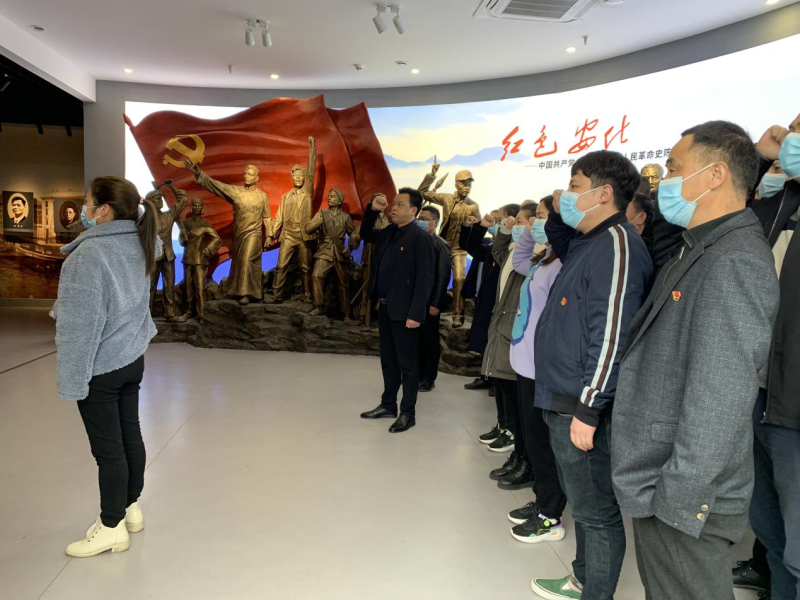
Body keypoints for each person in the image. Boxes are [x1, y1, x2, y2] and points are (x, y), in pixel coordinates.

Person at [610, 121, 780, 600]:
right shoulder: (702, 245)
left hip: (682, 492)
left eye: (673, 169)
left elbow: (721, 393)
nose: (663, 181)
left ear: (715, 175)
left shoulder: (734, 260)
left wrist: (680, 494)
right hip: (663, 479)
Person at [532, 150, 652, 600]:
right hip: (564, 396)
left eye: (575, 186)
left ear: (604, 194)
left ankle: (594, 591)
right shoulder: (590, 240)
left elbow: (612, 334)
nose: (566, 194)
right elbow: (559, 230)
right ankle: (582, 578)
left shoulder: (617, 245)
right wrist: (561, 207)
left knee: (597, 513)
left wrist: (589, 406)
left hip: (581, 405)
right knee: (583, 506)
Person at [54, 176, 160, 558]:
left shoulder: (89, 256)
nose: (83, 209)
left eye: (87, 203)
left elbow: (80, 328)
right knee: (130, 435)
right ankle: (131, 507)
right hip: (131, 359)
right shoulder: (142, 242)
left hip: (101, 367)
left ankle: (112, 526)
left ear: (103, 210)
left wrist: (72, 380)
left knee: (109, 451)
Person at [743, 119, 800, 600]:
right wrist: (762, 163)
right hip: (760, 392)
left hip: (793, 403)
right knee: (769, 527)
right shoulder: (783, 203)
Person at [506, 196, 567, 544]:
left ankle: (550, 515)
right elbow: (518, 261)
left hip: (540, 366)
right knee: (532, 440)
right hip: (524, 362)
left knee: (544, 445)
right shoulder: (544, 258)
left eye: (542, 217)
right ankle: (543, 500)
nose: (535, 223)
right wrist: (530, 232)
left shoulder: (563, 264)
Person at [359, 189, 434, 433]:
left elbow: (425, 279)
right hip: (386, 307)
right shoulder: (390, 232)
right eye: (394, 203)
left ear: (413, 210)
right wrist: (373, 210)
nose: (393, 207)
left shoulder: (420, 238)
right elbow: (365, 233)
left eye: (400, 204)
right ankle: (388, 404)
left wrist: (416, 313)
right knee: (388, 361)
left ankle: (407, 413)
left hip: (406, 314)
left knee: (408, 365)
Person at [481, 205, 536, 464]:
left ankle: (511, 432)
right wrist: (504, 230)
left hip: (513, 323)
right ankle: (503, 425)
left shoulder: (535, 254)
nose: (515, 225)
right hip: (501, 319)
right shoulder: (515, 249)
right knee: (498, 378)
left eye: (520, 221)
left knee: (508, 380)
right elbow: (497, 251)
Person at [185, 158, 271, 305]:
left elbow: (267, 217)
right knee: (240, 263)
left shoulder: (262, 196)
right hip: (239, 236)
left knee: (248, 260)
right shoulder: (236, 192)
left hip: (254, 234)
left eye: (250, 174)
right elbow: (217, 186)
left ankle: (246, 294)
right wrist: (199, 172)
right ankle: (242, 291)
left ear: (257, 178)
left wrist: (269, 235)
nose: (247, 176)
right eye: (245, 173)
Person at [418, 161, 481, 327]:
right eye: (463, 183)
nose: (467, 187)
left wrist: (473, 225)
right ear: (456, 184)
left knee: (459, 278)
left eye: (469, 184)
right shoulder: (446, 198)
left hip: (460, 248)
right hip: (443, 245)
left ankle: (458, 315)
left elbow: (480, 229)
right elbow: (422, 193)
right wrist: (432, 175)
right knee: (433, 275)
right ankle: (426, 307)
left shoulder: (473, 206)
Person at [270, 137, 317, 303]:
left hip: (303, 235)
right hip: (288, 235)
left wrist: (312, 149)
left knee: (305, 267)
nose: (298, 178)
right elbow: (279, 217)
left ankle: (307, 295)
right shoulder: (285, 197)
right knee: (281, 265)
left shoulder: (307, 193)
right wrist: (271, 235)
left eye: (301, 176)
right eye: (295, 176)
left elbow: (311, 170)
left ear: (304, 178)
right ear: (291, 178)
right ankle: (276, 295)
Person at [304, 188, 358, 322]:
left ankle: (346, 313)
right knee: (316, 275)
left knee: (343, 283)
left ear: (340, 200)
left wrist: (349, 249)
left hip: (340, 253)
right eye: (329, 196)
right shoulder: (322, 214)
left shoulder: (345, 217)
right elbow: (308, 229)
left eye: (333, 196)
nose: (329, 198)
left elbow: (354, 234)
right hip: (325, 251)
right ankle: (318, 306)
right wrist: (319, 221)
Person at [417, 205, 451, 392]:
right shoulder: (418, 241)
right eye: (419, 218)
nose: (420, 222)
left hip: (430, 302)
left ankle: (428, 377)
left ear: (435, 222)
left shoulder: (441, 245)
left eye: (424, 219)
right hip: (417, 301)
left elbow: (442, 276)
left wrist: (436, 302)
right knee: (417, 340)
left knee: (429, 340)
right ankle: (417, 373)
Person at [146, 180, 188, 323]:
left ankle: (170, 314)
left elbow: (183, 200)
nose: (160, 200)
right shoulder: (146, 220)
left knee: (169, 286)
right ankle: (147, 314)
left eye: (160, 198)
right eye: (156, 198)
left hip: (168, 256)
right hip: (153, 257)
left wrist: (171, 187)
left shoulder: (169, 215)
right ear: (150, 202)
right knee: (150, 286)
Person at [179, 197, 222, 319]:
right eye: (195, 205)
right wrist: (183, 236)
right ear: (191, 207)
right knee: (188, 287)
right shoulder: (185, 223)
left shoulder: (205, 224)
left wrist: (208, 250)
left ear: (202, 208)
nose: (197, 207)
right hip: (187, 258)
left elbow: (217, 239)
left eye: (199, 205)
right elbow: (182, 242)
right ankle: (188, 311)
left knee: (200, 287)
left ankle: (201, 312)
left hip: (200, 260)